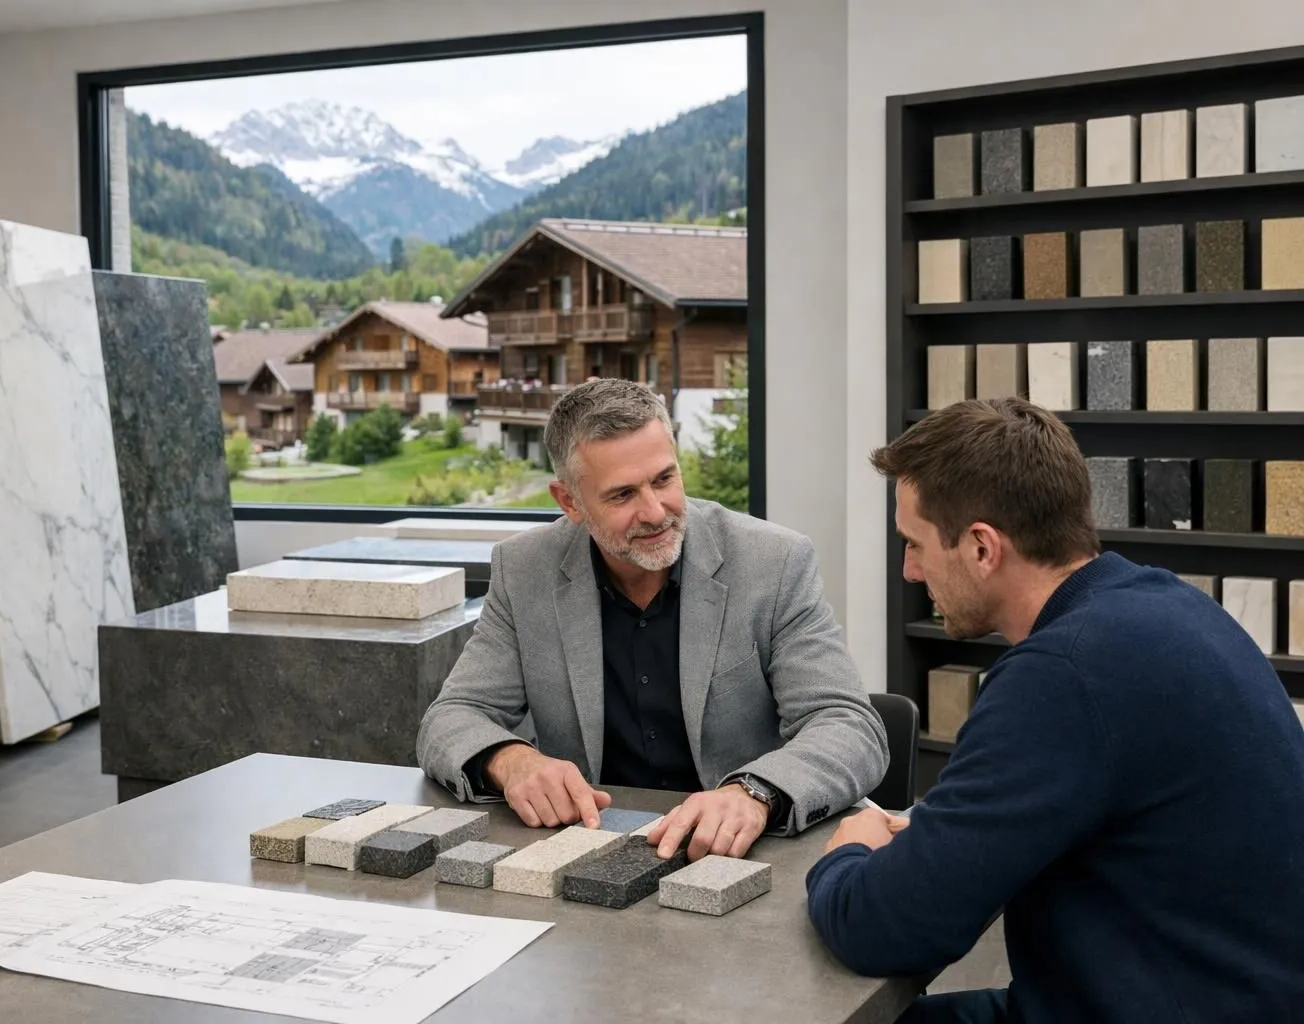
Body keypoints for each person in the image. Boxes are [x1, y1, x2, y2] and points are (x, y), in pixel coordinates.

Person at [805, 397, 1304, 1023]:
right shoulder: (1164, 604)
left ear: (982, 547)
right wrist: (944, 830)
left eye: (915, 543)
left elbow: (882, 927)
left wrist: (847, 852)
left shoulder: (1064, 674)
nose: (908, 570)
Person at [416, 378, 887, 861]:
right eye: (622, 495)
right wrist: (511, 761)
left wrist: (754, 792)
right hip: (590, 849)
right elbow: (451, 718)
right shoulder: (523, 570)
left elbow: (849, 726)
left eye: (664, 479)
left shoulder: (774, 562)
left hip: (741, 852)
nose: (655, 511)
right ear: (570, 502)